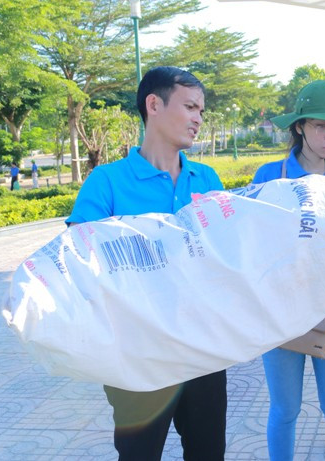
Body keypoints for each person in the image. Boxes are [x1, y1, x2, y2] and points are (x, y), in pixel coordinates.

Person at [66, 66, 227, 460]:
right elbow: (78, 259)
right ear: (154, 104)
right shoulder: (106, 182)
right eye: (190, 106)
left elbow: (228, 258)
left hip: (202, 350)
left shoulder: (207, 180)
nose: (198, 119)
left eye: (201, 111)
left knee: (208, 454)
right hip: (137, 357)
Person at [254, 79, 325, 461]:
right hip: (281, 314)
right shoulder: (269, 177)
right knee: (285, 410)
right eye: (321, 126)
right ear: (300, 126)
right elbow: (252, 246)